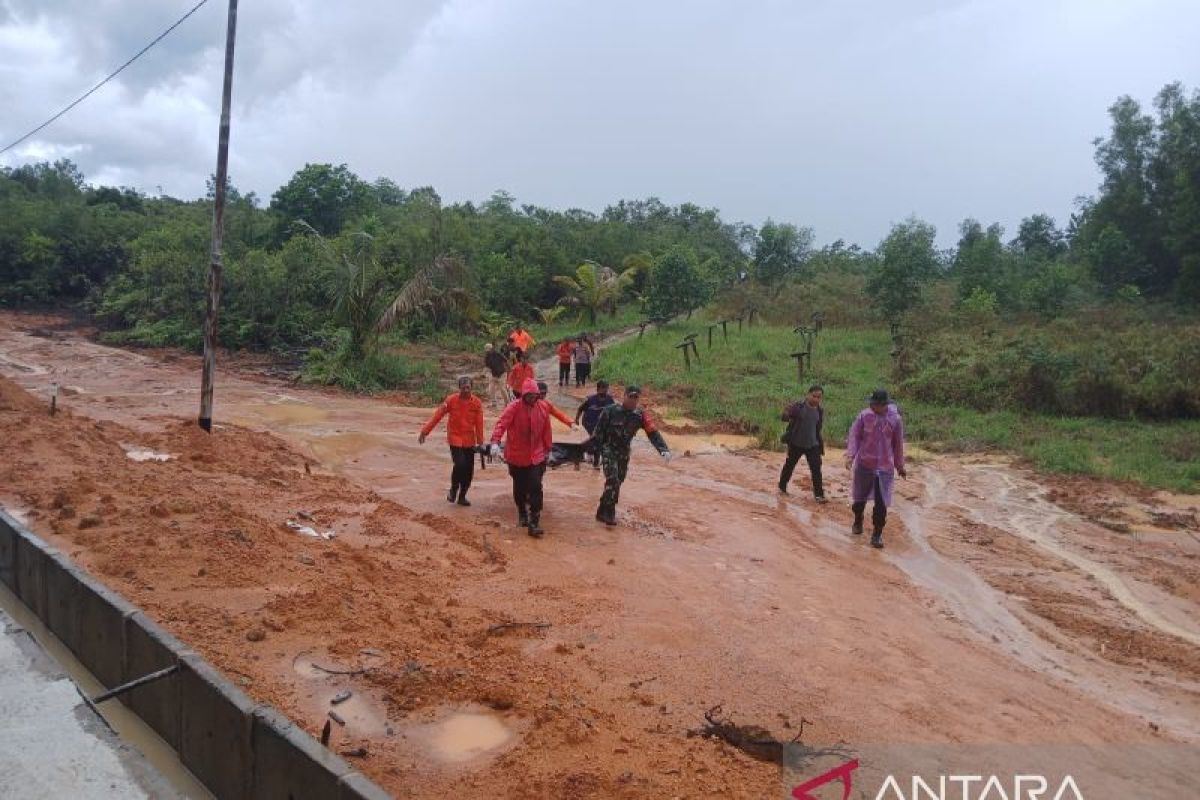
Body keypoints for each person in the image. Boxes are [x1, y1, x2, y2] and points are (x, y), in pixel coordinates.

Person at [591, 385, 670, 526]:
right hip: (609, 449)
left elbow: (652, 433)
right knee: (613, 480)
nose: (633, 400)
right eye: (630, 397)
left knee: (618, 482)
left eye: (636, 398)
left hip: (624, 452)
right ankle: (609, 512)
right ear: (624, 396)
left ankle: (602, 509)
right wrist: (594, 453)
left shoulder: (640, 415)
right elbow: (598, 433)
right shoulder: (610, 411)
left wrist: (663, 449)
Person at [844, 388, 907, 549]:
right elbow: (855, 436)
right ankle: (858, 520)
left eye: (876, 404)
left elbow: (898, 444)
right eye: (871, 404)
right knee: (859, 498)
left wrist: (900, 465)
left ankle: (877, 533)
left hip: (885, 467)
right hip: (865, 463)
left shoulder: (895, 420)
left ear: (884, 405)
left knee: (881, 502)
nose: (872, 406)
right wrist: (850, 456)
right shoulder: (864, 416)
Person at [489, 378, 552, 537]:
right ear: (524, 395)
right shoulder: (514, 407)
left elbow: (546, 430)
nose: (532, 398)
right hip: (516, 455)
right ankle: (522, 512)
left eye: (535, 396)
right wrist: (495, 442)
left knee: (536, 486)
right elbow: (501, 424)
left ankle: (534, 521)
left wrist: (547, 450)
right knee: (520, 487)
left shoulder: (543, 407)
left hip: (536, 455)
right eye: (529, 396)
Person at [418, 376, 485, 506]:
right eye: (463, 387)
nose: (466, 390)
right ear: (459, 388)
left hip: (469, 440)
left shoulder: (477, 403)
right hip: (455, 438)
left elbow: (479, 423)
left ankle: (462, 496)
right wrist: (425, 431)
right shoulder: (451, 400)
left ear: (472, 388)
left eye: (468, 387)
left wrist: (481, 442)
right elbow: (437, 416)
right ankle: (453, 489)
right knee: (460, 464)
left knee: (469, 470)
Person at [778, 384, 827, 502]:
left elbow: (817, 428)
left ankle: (819, 495)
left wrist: (819, 443)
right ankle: (782, 487)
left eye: (819, 397)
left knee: (816, 469)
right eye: (814, 396)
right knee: (789, 465)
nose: (816, 399)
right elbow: (784, 418)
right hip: (796, 443)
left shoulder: (820, 411)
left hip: (812, 444)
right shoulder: (798, 407)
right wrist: (787, 412)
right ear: (808, 395)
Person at [575, 380, 616, 468]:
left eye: (606, 388)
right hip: (589, 424)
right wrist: (576, 419)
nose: (605, 390)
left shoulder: (610, 399)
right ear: (598, 389)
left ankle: (596, 464)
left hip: (602, 426)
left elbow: (614, 412)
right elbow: (580, 409)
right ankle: (580, 458)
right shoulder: (590, 399)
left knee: (599, 443)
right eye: (603, 388)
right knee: (590, 442)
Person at [483, 343, 509, 409]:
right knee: (491, 388)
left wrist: (509, 369)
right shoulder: (487, 357)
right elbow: (487, 366)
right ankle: (493, 403)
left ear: (492, 349)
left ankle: (507, 403)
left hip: (502, 373)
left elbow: (505, 361)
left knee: (502, 389)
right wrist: (485, 373)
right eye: (487, 351)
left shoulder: (498, 354)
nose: (488, 352)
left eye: (489, 350)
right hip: (494, 374)